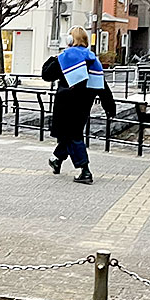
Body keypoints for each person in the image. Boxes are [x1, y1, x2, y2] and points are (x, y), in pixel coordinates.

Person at [42, 26, 116, 184]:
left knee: (73, 136)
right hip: (84, 105)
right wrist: (109, 106)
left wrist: (54, 58)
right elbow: (102, 85)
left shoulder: (66, 57)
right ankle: (56, 159)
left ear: (70, 40)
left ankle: (85, 170)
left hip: (66, 103)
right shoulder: (92, 59)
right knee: (69, 134)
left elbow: (46, 74)